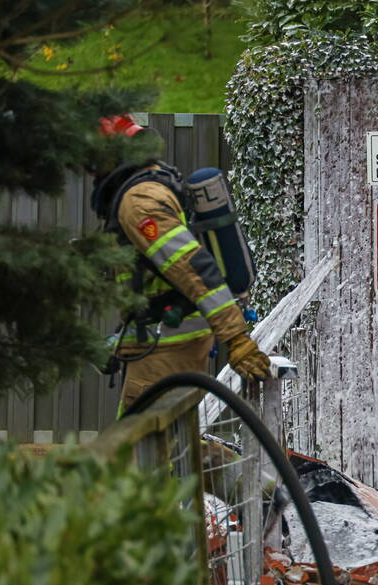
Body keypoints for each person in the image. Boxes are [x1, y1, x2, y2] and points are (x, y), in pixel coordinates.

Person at [89, 114, 269, 414]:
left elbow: (190, 266)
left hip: (168, 347)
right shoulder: (151, 185)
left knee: (141, 439)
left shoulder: (139, 202)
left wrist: (236, 337)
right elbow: (154, 278)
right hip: (167, 340)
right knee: (176, 436)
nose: (93, 170)